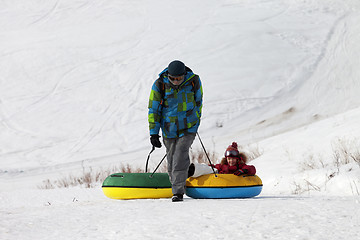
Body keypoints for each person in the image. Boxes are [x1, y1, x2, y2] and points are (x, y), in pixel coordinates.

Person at [148, 60, 203, 202]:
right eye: (173, 78)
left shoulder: (194, 81)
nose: (177, 81)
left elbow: (199, 102)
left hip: (188, 127)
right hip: (169, 128)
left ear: (184, 74)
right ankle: (175, 186)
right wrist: (154, 133)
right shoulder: (159, 85)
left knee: (180, 154)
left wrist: (195, 121)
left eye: (179, 78)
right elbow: (153, 109)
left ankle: (178, 192)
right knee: (171, 157)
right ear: (169, 75)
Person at [188, 142, 256, 177]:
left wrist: (243, 170)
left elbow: (252, 169)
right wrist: (209, 166)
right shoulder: (223, 166)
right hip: (222, 181)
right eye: (229, 159)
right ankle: (191, 170)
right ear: (226, 159)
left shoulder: (240, 166)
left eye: (233, 159)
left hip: (234, 184)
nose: (231, 161)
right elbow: (214, 167)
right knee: (210, 169)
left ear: (237, 159)